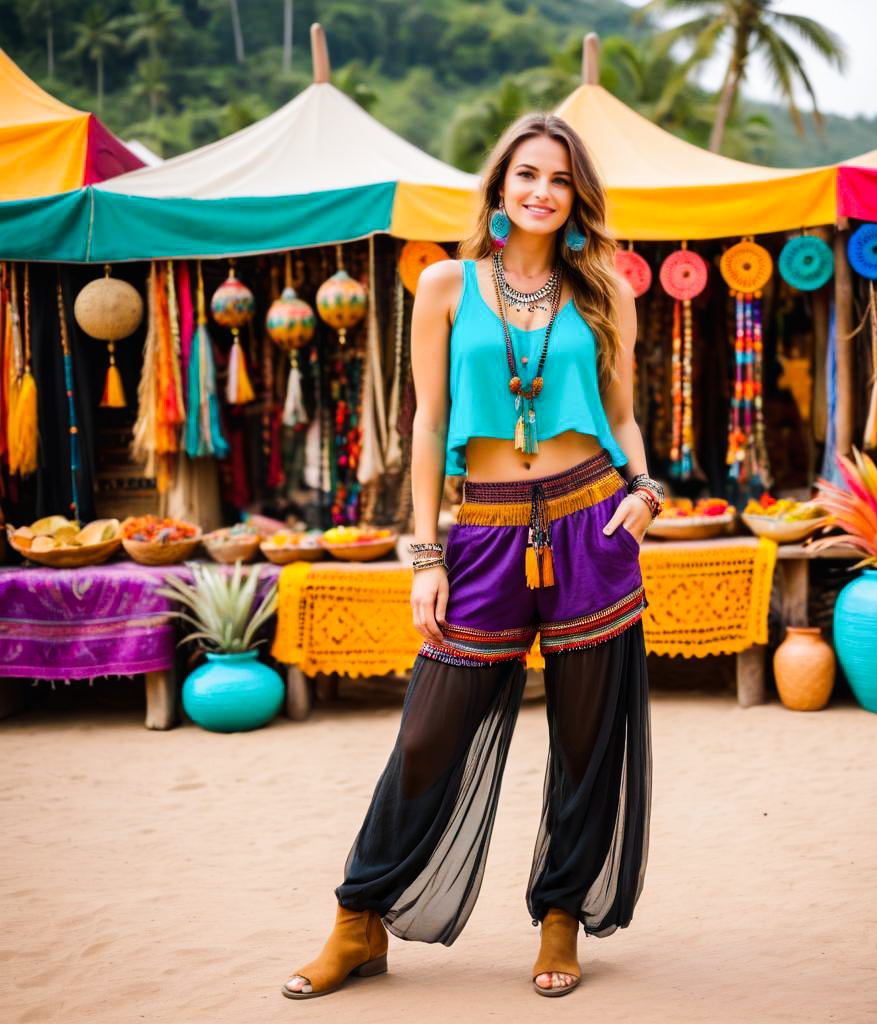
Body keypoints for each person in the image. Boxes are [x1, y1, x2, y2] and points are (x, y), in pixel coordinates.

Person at [282, 112, 664, 1001]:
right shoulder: (447, 285)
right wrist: (425, 554)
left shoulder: (605, 288)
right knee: (428, 734)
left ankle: (560, 916)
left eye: (560, 179)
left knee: (585, 741)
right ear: (498, 185)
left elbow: (624, 413)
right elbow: (425, 424)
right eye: (526, 174)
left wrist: (645, 492)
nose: (541, 190)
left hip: (592, 525)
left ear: (578, 197)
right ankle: (358, 924)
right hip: (485, 534)